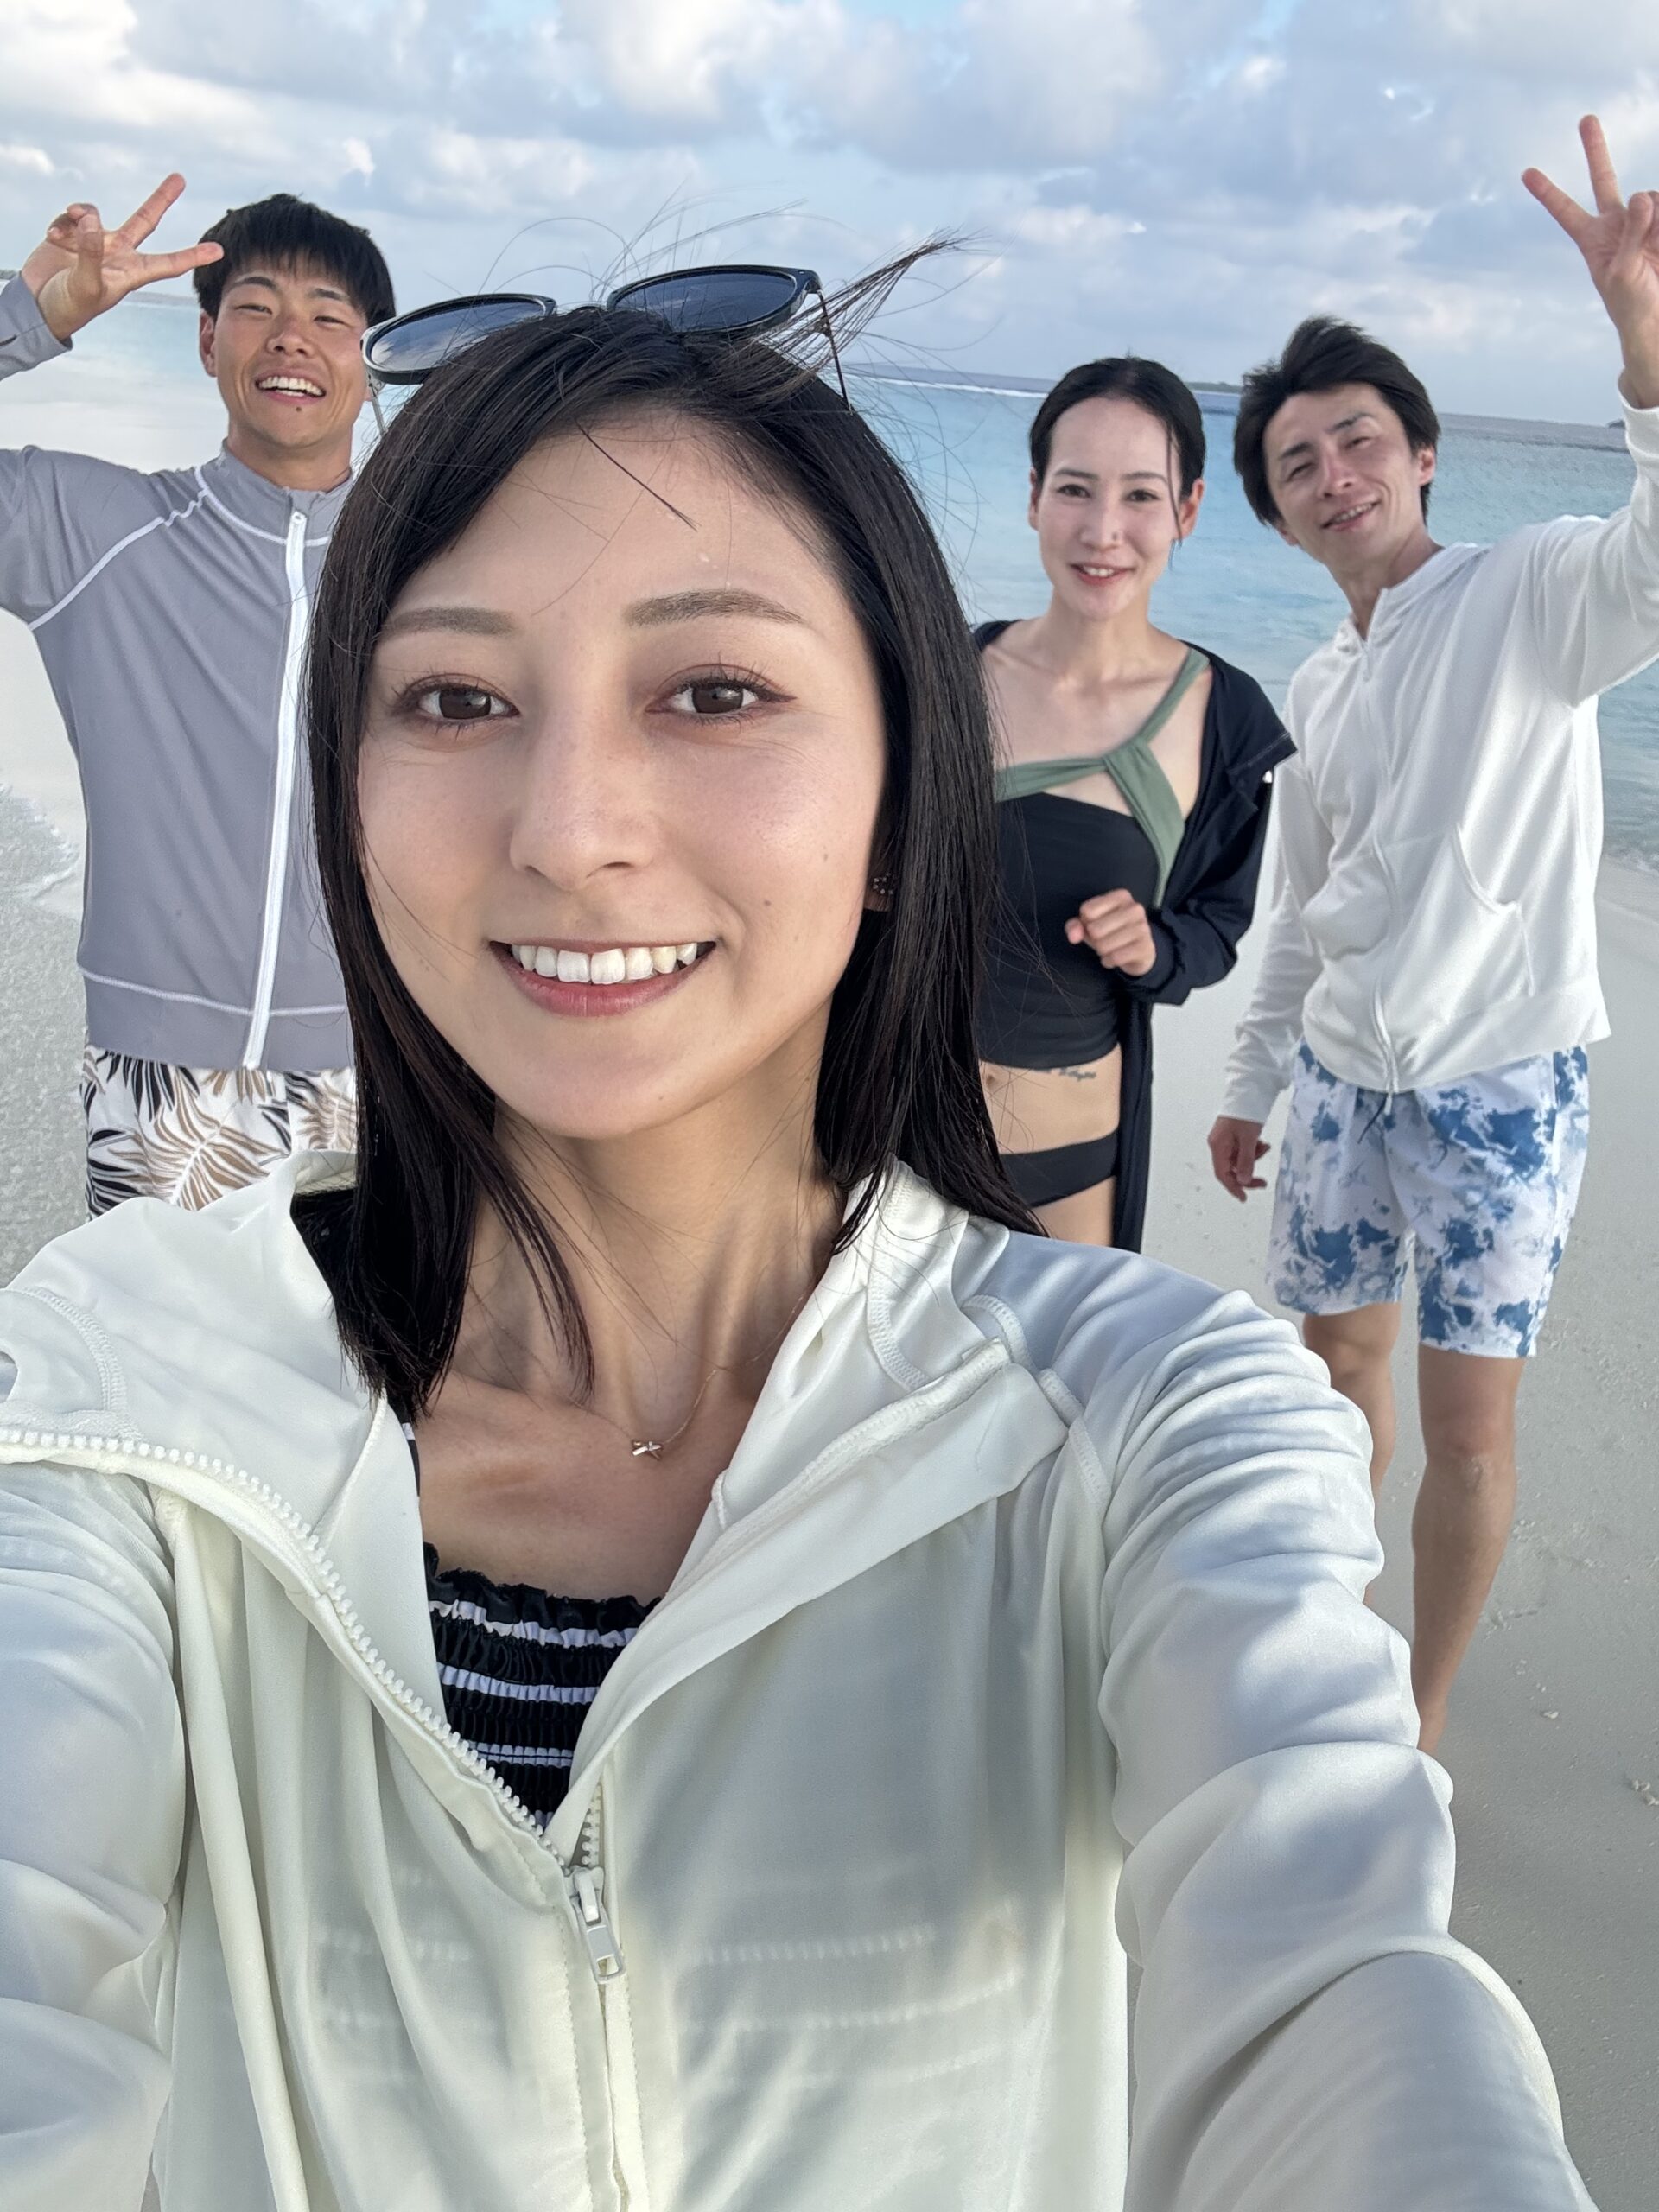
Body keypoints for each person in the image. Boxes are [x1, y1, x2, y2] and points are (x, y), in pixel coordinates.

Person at [0, 270, 1596, 2212]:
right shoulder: (122, 1392)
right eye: (454, 699)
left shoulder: (1148, 1423)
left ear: (908, 798)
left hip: (1104, 1141)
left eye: (715, 692)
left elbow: (1333, 1987)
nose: (569, 827)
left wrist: (1163, 960)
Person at [1208, 115, 1659, 1754]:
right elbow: (1301, 907)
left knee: (1469, 1431)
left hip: (1500, 1083)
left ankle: (1424, 1708)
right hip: (1344, 1085)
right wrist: (1253, 1078)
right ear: (1277, 516)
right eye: (1297, 466)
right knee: (1338, 1381)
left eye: (1358, 442)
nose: (1334, 476)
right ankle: (1336, 1640)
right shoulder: (1319, 684)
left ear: (1421, 456)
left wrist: (1644, 349)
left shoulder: (1530, 594)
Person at [0, 173, 393, 1212]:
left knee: (374, 1329)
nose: (292, 337)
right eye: (256, 307)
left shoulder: (435, 569)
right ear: (208, 341)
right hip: (160, 1084)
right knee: (151, 1328)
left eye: (330, 317)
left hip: (392, 1074)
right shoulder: (94, 533)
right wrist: (32, 315)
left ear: (372, 361)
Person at [976, 358, 1289, 1249]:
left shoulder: (1225, 717)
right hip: (897, 1133)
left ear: (1188, 510)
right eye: (1075, 489)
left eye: (1142, 496)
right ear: (1034, 497)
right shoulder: (948, 674)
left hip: (1072, 1160)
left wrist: (1152, 945)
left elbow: (1216, 929)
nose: (1103, 531)